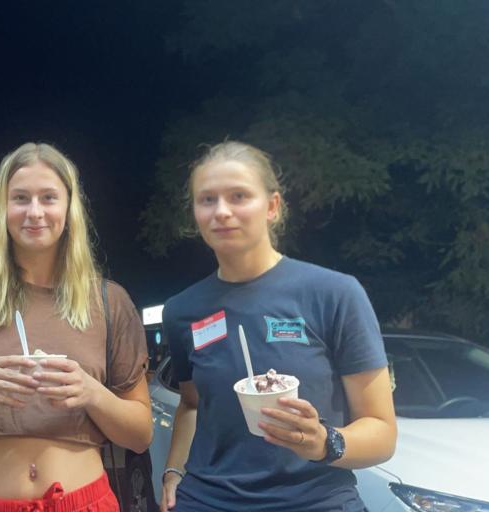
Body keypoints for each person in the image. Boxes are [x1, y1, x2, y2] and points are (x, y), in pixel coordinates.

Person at [0, 142, 152, 511]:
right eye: (20, 198)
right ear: (1, 210)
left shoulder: (109, 301)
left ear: (69, 209)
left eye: (49, 198)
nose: (35, 212)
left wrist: (91, 393)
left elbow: (140, 435)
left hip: (83, 502)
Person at [159, 141, 397, 511]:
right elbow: (191, 405)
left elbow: (381, 431)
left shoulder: (334, 293)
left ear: (272, 206)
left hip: (316, 500)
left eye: (239, 196)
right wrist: (173, 471)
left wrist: (324, 442)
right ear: (195, 213)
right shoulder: (182, 310)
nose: (222, 211)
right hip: (208, 500)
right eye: (207, 200)